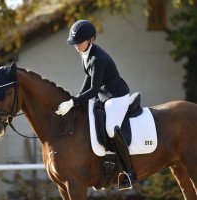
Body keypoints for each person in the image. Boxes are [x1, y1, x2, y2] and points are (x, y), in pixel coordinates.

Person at [55, 20, 136, 189]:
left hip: (116, 96)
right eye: (74, 43)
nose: (76, 46)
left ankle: (129, 172)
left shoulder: (97, 58)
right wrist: (76, 98)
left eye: (79, 42)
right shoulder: (86, 53)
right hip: (103, 96)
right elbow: (88, 79)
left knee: (110, 128)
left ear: (91, 39)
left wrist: (73, 102)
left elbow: (93, 89)